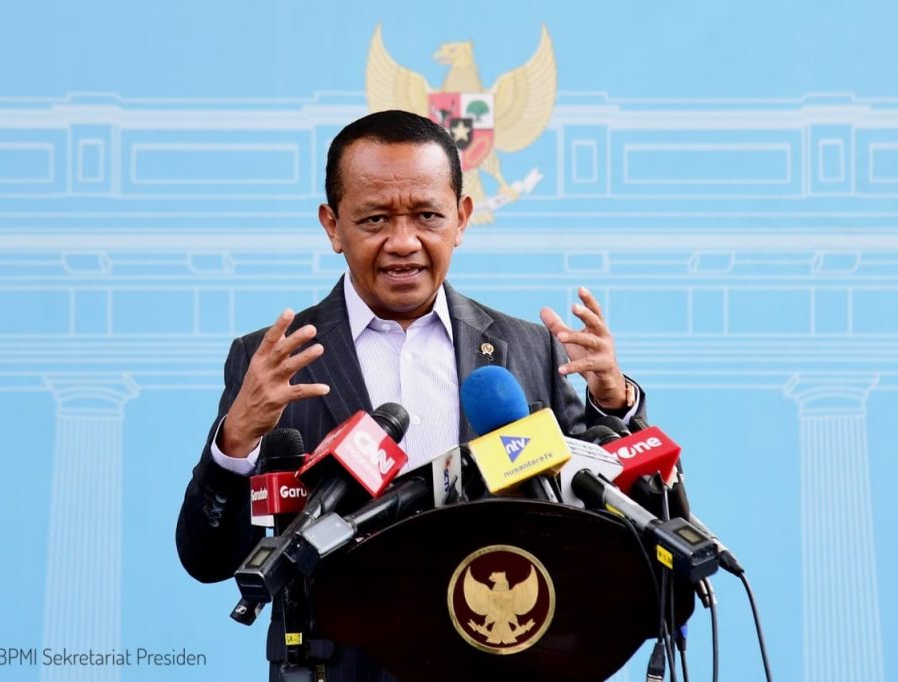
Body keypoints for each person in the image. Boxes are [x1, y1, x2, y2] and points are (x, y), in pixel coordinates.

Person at [176, 110, 645, 681]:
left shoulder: (528, 350)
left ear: (461, 218)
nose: (403, 243)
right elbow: (208, 559)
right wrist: (235, 441)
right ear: (332, 226)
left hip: (500, 661)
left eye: (427, 216)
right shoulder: (272, 360)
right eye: (375, 219)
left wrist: (614, 403)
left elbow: (612, 518)